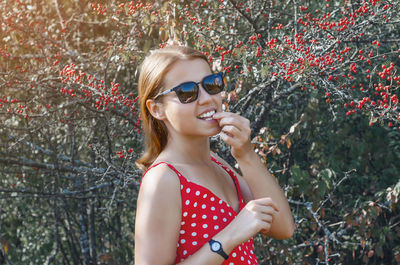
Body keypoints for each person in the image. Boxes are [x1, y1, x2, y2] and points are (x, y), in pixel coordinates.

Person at [134, 45, 294, 265]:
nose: (207, 99)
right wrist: (229, 237)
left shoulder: (219, 165)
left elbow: (283, 226)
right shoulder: (163, 179)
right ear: (156, 109)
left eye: (211, 85)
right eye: (187, 92)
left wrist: (245, 154)